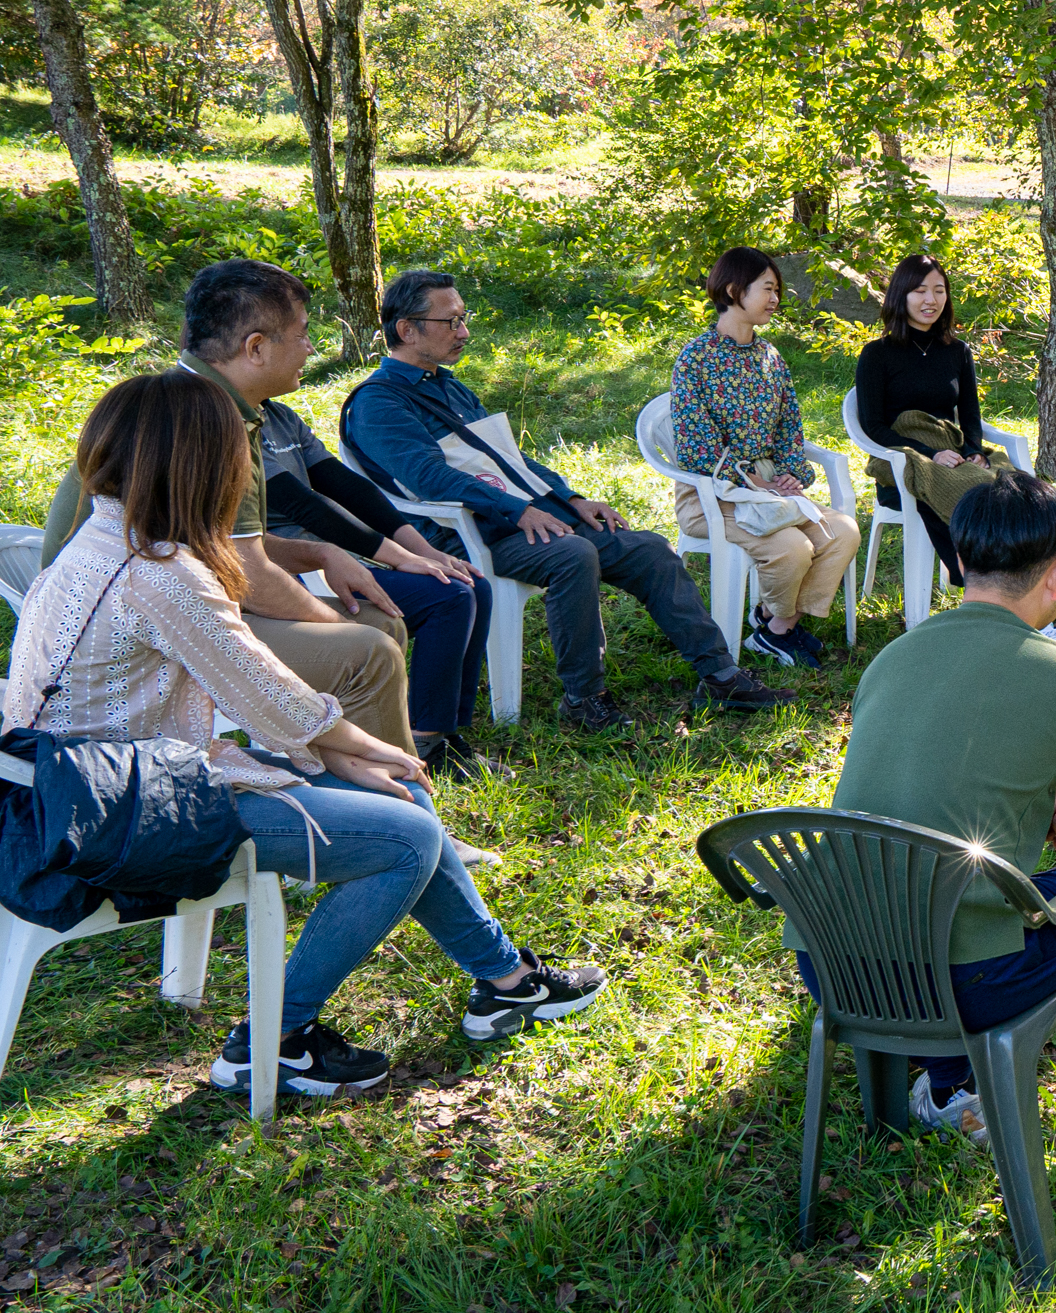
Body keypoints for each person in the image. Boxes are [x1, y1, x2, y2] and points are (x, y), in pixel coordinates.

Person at [4, 372, 602, 1098]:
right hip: (123, 816)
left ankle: (506, 979)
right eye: (235, 460)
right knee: (405, 834)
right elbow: (273, 701)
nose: (242, 474)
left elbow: (268, 705)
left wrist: (357, 758)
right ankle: (274, 1039)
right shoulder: (159, 572)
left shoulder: (104, 537)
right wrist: (386, 754)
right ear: (202, 466)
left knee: (395, 801)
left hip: (73, 789)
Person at [817, 473, 1056, 1165]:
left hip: (838, 965)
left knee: (929, 888)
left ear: (960, 562)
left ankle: (948, 1088)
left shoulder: (891, 658)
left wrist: (1031, 803)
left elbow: (911, 790)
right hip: (960, 986)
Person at [343, 268, 793, 730]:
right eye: (451, 322)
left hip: (527, 517)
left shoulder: (448, 384)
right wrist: (518, 510)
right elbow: (429, 478)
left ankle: (720, 675)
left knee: (650, 550)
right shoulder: (380, 403)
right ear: (406, 329)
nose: (465, 331)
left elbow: (509, 460)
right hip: (468, 534)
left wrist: (572, 498)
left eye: (464, 318)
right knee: (572, 555)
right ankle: (584, 700)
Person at [37, 262, 435, 761]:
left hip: (160, 600)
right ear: (255, 348)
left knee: (378, 624)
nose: (310, 349)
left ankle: (353, 775)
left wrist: (318, 551)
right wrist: (337, 621)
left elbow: (217, 539)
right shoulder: (209, 420)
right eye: (303, 334)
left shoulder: (199, 399)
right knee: (369, 647)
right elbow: (250, 574)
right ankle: (392, 817)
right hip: (126, 629)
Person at [668, 247, 864, 670]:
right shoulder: (695, 359)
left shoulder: (770, 358)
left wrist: (791, 473)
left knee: (843, 531)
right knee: (793, 548)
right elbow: (695, 446)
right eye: (768, 289)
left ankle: (775, 625)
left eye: (777, 289)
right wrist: (750, 482)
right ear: (735, 290)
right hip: (713, 497)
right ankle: (778, 627)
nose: (776, 298)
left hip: (772, 490)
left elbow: (789, 428)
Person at [853, 252, 992, 588]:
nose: (931, 300)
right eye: (920, 291)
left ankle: (1012, 579)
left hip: (955, 454)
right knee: (973, 491)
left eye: (939, 290)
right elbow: (873, 427)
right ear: (901, 295)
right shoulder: (877, 354)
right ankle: (978, 580)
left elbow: (970, 416)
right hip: (902, 462)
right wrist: (929, 455)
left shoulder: (957, 351)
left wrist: (974, 449)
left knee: (1011, 487)